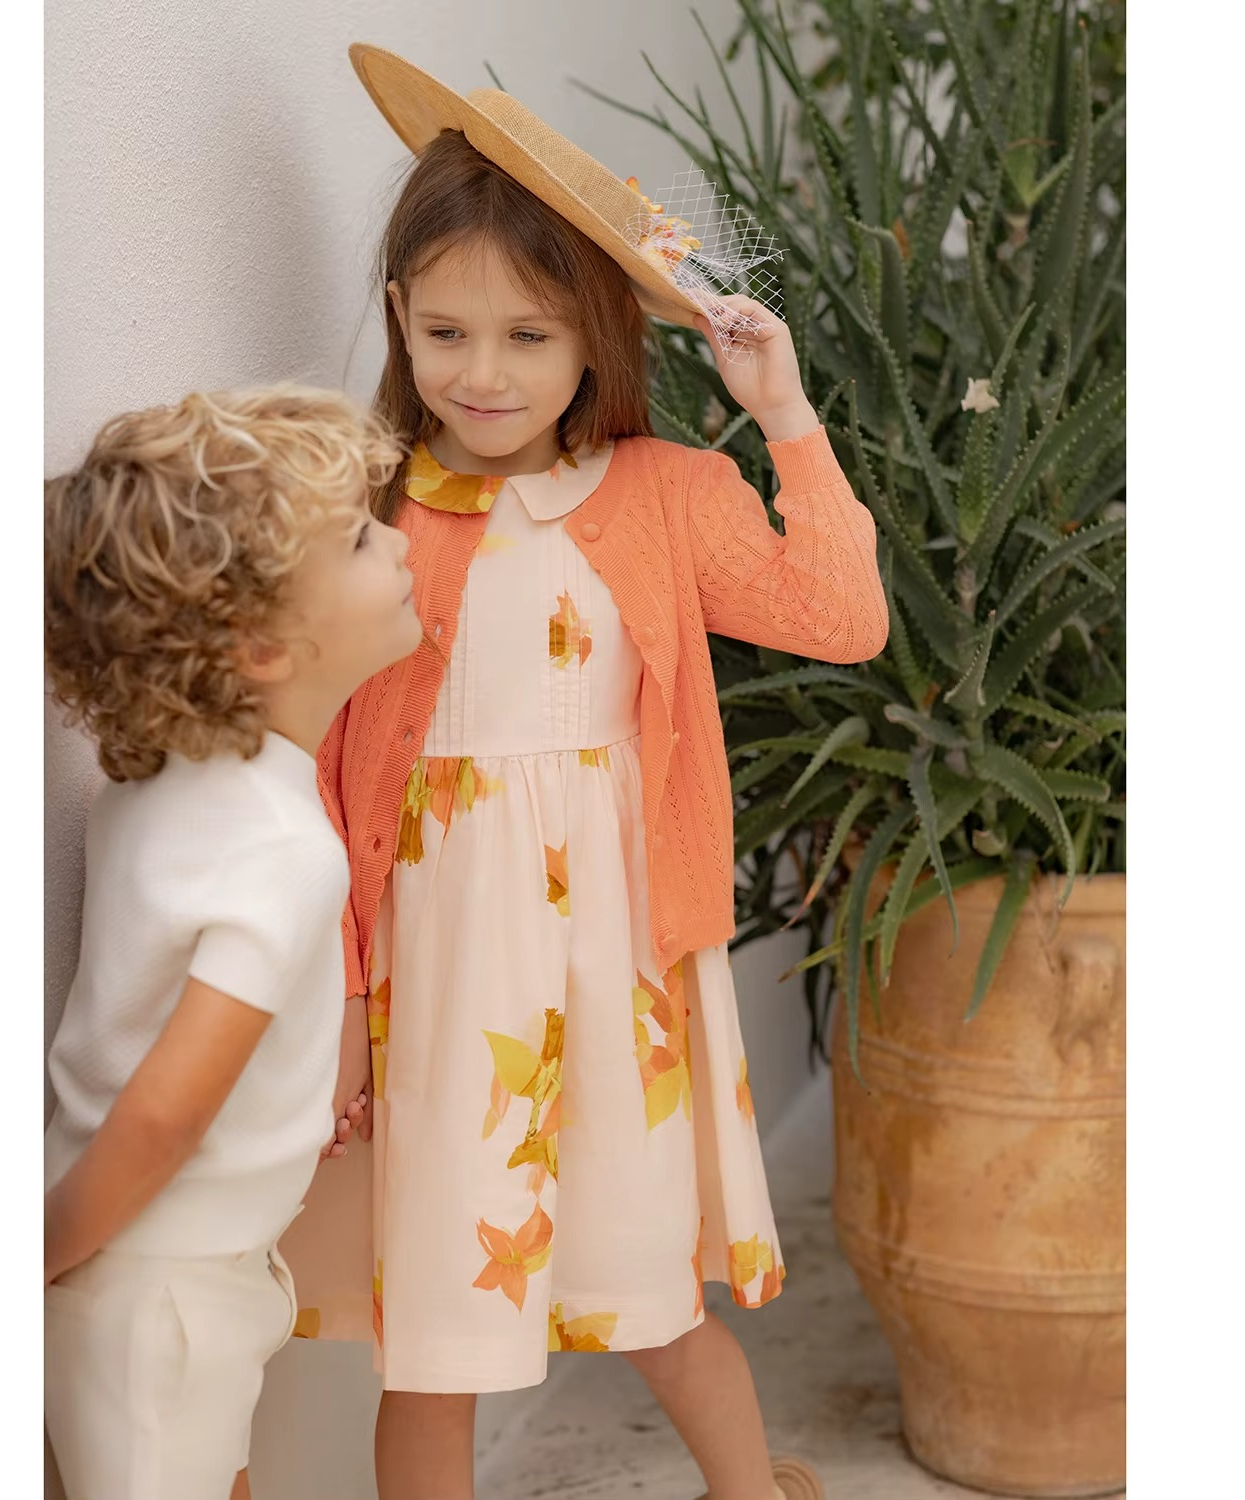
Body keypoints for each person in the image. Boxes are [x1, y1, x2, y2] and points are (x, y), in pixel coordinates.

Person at [284, 47, 889, 1500]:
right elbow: (316, 765)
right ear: (397, 317)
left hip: (619, 965)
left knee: (651, 1296)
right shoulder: (367, 511)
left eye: (528, 336)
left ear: (598, 338)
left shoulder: (668, 497)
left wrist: (784, 413)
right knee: (436, 1334)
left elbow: (844, 618)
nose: (482, 374)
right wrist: (340, 1004)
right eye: (446, 331)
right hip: (436, 976)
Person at [42, 385, 419, 1500]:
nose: (399, 542)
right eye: (360, 540)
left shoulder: (154, 782)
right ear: (261, 647)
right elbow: (165, 1110)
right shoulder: (283, 849)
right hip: (160, 1279)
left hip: (173, 1265)